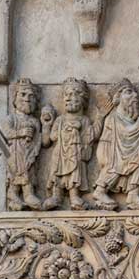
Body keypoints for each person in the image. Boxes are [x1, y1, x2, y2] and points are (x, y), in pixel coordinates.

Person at [41, 78, 102, 210]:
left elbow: (92, 136)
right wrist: (47, 125)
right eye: (67, 95)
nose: (69, 98)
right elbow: (52, 137)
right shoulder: (60, 119)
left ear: (83, 101)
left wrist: (100, 118)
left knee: (75, 174)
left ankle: (74, 197)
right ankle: (56, 196)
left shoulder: (85, 120)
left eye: (74, 94)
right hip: (60, 155)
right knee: (57, 174)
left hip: (76, 154)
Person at [94, 78, 139, 209]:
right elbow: (127, 132)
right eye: (128, 92)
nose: (135, 96)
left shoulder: (132, 120)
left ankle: (133, 194)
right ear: (118, 97)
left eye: (135, 93)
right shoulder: (112, 118)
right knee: (114, 166)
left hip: (131, 153)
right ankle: (100, 191)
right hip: (115, 155)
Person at [5, 78, 42, 211]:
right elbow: (5, 133)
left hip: (29, 153)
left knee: (30, 172)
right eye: (23, 94)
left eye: (31, 96)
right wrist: (21, 132)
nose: (27, 98)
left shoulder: (35, 121)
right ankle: (13, 194)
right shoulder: (11, 118)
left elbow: (40, 139)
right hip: (15, 153)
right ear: (15, 97)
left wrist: (47, 125)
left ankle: (28, 194)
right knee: (17, 173)